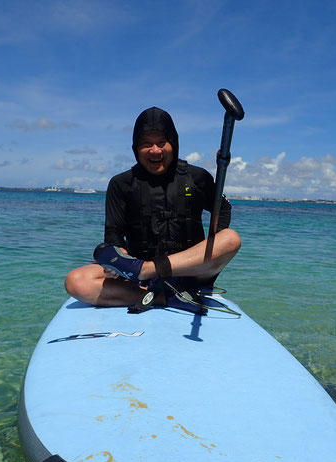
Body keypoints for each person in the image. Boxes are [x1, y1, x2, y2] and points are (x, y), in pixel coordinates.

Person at [65, 106, 240, 310]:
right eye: (146, 143)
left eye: (161, 143)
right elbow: (113, 233)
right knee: (76, 281)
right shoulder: (121, 184)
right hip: (139, 279)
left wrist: (211, 247)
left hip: (192, 272)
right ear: (135, 147)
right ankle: (164, 297)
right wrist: (117, 254)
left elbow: (224, 209)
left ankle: (148, 273)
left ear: (173, 144)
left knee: (230, 239)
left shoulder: (197, 177)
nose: (155, 150)